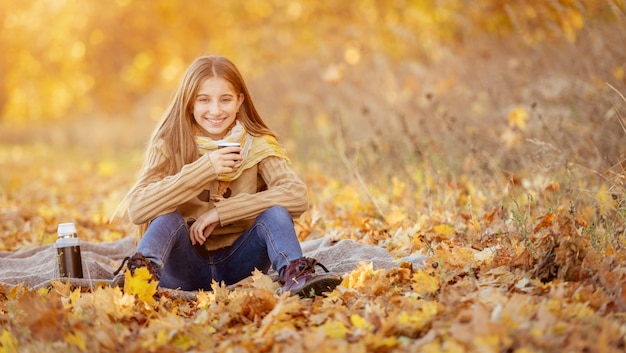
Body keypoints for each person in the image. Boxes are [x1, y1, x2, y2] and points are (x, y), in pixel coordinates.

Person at [112, 55, 341, 297]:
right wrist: (205, 168)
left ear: (239, 100)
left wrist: (223, 212)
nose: (215, 110)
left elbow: (296, 196)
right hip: (183, 266)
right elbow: (137, 208)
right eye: (203, 100)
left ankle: (297, 276)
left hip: (242, 264)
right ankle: (140, 279)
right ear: (190, 102)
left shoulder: (258, 144)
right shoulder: (170, 144)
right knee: (166, 217)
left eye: (225, 100)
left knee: (276, 212)